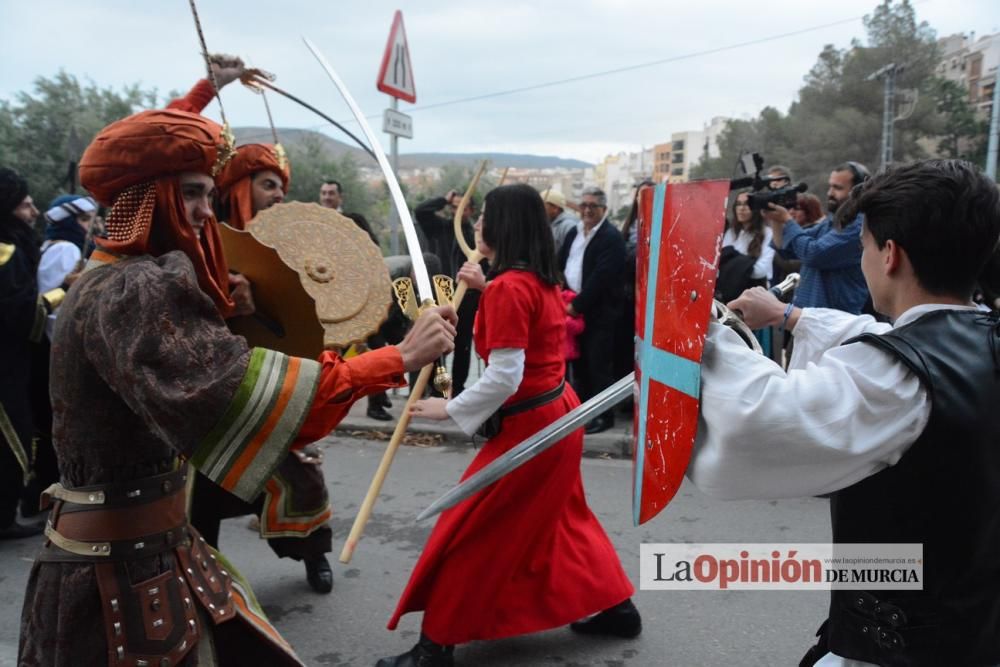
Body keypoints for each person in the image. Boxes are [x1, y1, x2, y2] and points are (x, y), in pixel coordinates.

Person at [17, 109, 456, 667]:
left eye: (209, 193)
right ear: (148, 199)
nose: (207, 211)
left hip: (142, 548)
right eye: (193, 194)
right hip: (121, 569)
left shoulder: (102, 277)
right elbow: (240, 395)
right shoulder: (134, 287)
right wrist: (399, 356)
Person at [687, 159, 1000, 665]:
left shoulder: (899, 379)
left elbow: (760, 421)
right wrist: (790, 316)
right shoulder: (981, 339)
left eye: (863, 247)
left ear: (890, 254)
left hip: (907, 649)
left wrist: (704, 333)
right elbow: (875, 337)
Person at [380, 183, 639, 667]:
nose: (475, 225)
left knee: (473, 530)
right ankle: (617, 607)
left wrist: (449, 408)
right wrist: (487, 286)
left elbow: (504, 375)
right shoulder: (537, 280)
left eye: (483, 218)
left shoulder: (509, 288)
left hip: (533, 430)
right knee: (563, 521)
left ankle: (435, 646)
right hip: (556, 416)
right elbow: (533, 334)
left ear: (504, 226)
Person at [0, 168, 49, 540]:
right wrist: (64, 291)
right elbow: (18, 313)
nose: (33, 213)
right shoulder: (7, 250)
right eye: (25, 205)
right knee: (10, 434)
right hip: (5, 365)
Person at [557, 186, 626, 434]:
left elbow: (602, 278)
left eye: (592, 206)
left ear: (604, 209)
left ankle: (604, 416)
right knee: (580, 365)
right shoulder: (574, 233)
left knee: (599, 366)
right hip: (572, 306)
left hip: (598, 312)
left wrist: (576, 306)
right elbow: (561, 265)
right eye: (583, 205)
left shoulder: (611, 237)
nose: (586, 210)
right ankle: (584, 411)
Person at [766, 162, 871, 315]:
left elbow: (813, 254)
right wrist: (775, 218)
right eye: (831, 186)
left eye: (838, 188)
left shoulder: (857, 227)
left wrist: (787, 220)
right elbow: (786, 249)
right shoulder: (831, 222)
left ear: (857, 192)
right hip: (809, 319)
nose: (830, 193)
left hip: (835, 324)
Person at [414, 189, 480, 397]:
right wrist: (444, 198)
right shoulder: (441, 227)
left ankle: (458, 390)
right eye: (454, 208)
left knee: (463, 345)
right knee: (436, 340)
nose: (458, 212)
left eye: (463, 208)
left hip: (468, 297)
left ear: (471, 210)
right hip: (441, 293)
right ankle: (437, 390)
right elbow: (421, 211)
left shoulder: (476, 235)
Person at [541, 187, 578, 252]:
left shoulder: (568, 226)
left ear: (555, 208)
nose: (540, 209)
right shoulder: (550, 223)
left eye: (543, 205)